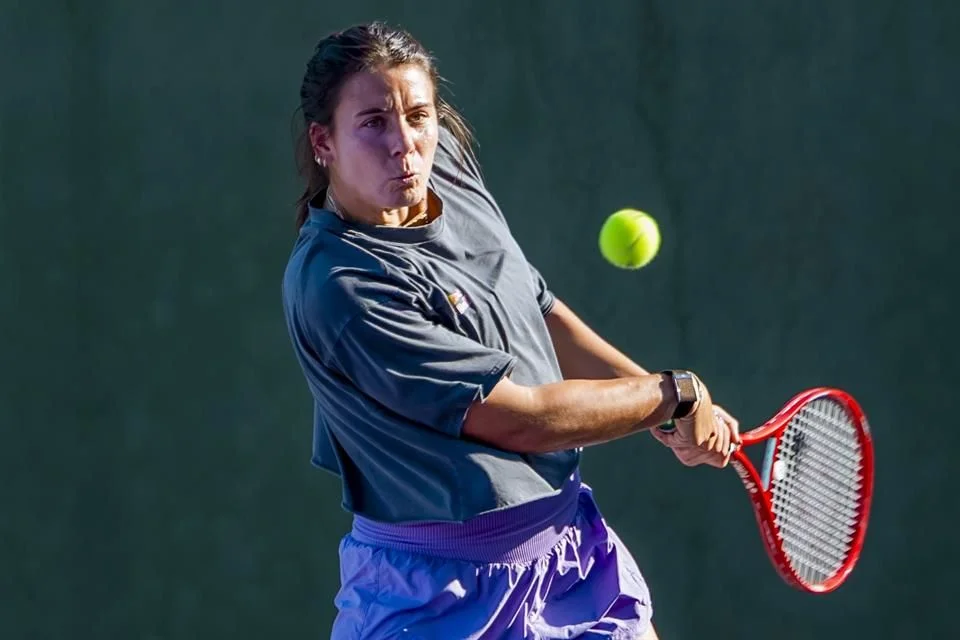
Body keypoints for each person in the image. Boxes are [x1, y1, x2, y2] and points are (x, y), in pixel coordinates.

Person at [282, 22, 741, 640]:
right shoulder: (340, 283)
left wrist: (663, 410)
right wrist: (672, 393)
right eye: (373, 123)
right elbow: (522, 420)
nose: (404, 144)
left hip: (569, 558)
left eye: (418, 116)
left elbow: (536, 308)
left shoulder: (441, 167)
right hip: (434, 601)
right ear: (324, 141)